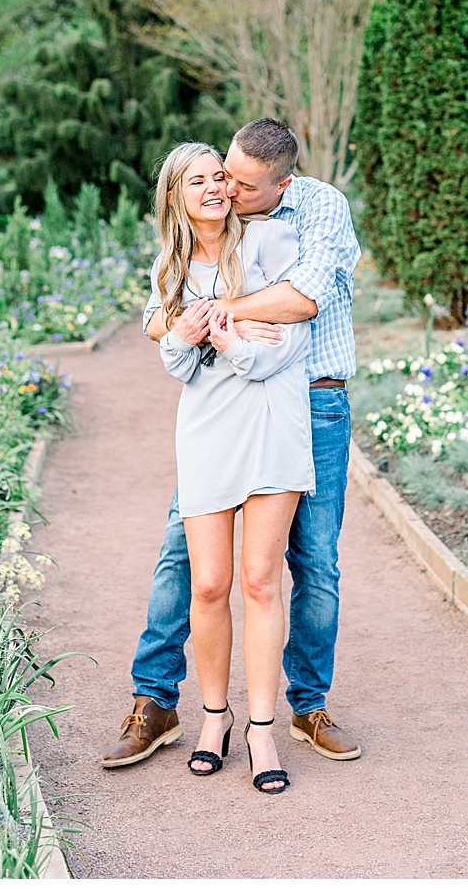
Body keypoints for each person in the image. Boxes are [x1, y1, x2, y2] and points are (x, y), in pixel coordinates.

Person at [103, 118, 363, 773]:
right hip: (218, 416)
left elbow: (302, 302)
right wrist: (192, 320)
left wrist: (220, 314)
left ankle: (305, 707)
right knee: (186, 565)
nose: (228, 189)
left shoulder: (311, 213)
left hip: (311, 399)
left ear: (282, 184)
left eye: (241, 184)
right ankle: (158, 702)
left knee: (311, 564)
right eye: (220, 174)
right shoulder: (202, 236)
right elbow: (160, 317)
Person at [149, 143, 312, 793]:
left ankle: (262, 731)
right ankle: (214, 718)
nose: (216, 187)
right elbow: (175, 365)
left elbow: (289, 340)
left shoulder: (272, 241)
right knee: (210, 585)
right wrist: (193, 337)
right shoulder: (170, 268)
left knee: (260, 582)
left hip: (273, 427)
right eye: (199, 180)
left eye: (221, 176)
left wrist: (221, 335)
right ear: (176, 196)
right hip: (208, 433)